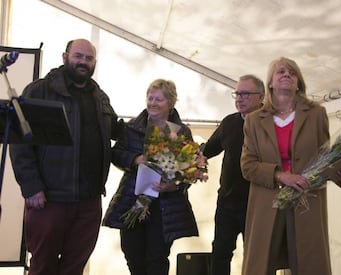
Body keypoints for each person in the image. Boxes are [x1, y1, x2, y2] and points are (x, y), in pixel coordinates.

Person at [8, 38, 122, 275]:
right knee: (42, 267)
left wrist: (155, 130)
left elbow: (117, 134)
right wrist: (31, 186)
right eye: (78, 56)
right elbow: (20, 142)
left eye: (89, 58)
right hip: (50, 199)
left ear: (94, 63)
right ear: (65, 57)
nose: (83, 62)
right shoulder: (40, 90)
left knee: (74, 268)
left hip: (89, 201)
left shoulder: (99, 97)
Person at [240, 57, 341, 275]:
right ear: (271, 83)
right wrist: (281, 175)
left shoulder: (316, 114)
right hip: (267, 204)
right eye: (280, 72)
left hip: (307, 200)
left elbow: (325, 157)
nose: (286, 75)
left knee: (309, 263)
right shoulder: (254, 120)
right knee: (261, 264)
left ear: (299, 82)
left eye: (292, 73)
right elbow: (248, 165)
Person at [102, 79, 199, 275]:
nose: (153, 103)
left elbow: (191, 168)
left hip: (165, 205)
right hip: (134, 201)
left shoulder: (181, 132)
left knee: (157, 259)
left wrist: (175, 185)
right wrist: (134, 158)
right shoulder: (132, 127)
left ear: (171, 103)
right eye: (150, 98)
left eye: (159, 99)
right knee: (132, 253)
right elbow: (116, 153)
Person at [202, 74, 264, 275]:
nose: (239, 98)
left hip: (257, 204)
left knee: (257, 258)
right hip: (227, 203)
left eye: (245, 93)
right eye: (237, 93)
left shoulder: (270, 124)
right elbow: (207, 150)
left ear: (261, 96)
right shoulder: (229, 122)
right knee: (220, 254)